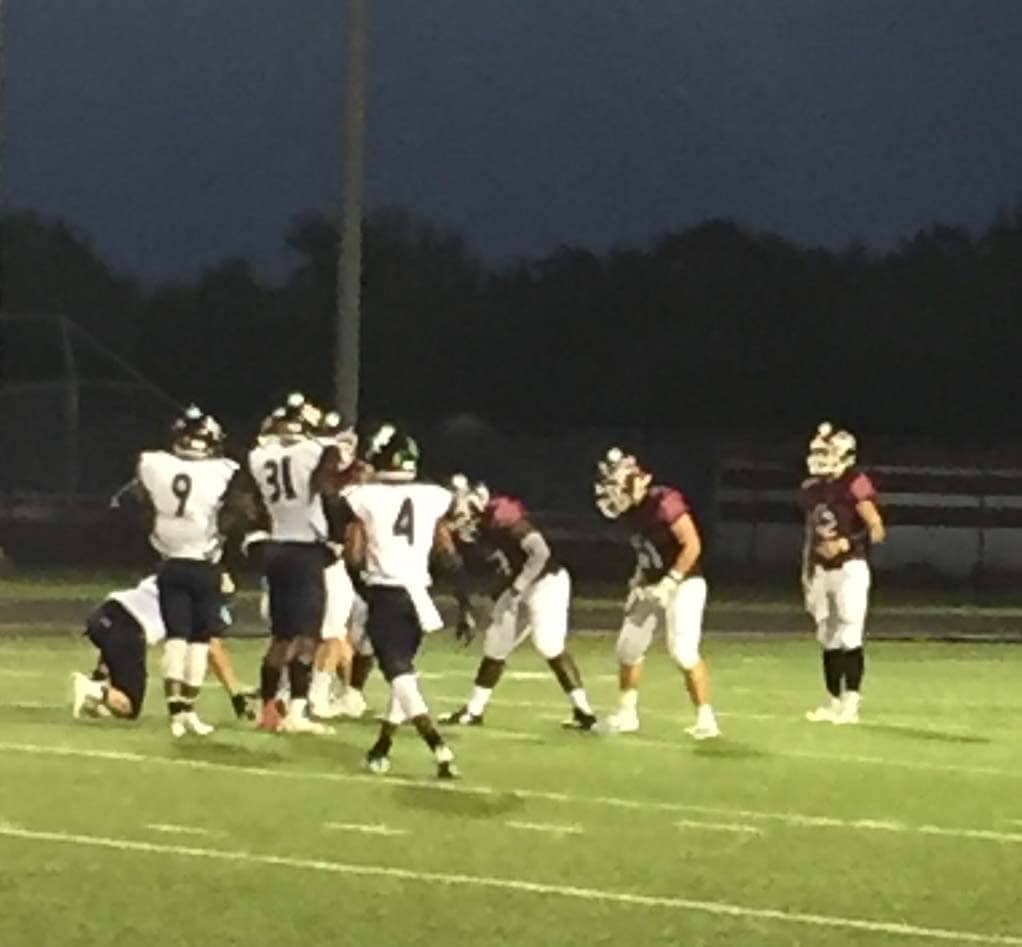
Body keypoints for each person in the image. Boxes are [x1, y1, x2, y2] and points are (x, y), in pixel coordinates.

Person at [341, 423, 469, 778]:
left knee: (399, 677)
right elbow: (448, 553)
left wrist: (361, 588)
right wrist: (464, 603)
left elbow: (353, 554)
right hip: (419, 596)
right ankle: (382, 746)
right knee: (403, 676)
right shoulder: (433, 495)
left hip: (387, 593)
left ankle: (439, 748)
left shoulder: (364, 496)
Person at [438, 474, 596, 730]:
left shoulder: (501, 513)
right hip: (520, 584)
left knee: (548, 644)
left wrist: (515, 589)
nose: (457, 519)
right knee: (495, 644)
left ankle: (584, 711)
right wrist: (503, 591)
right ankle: (473, 711)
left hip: (547, 581)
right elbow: (502, 563)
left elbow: (540, 552)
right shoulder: (479, 524)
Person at [135, 405, 250, 737]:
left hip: (170, 562)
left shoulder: (155, 464)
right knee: (199, 640)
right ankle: (188, 709)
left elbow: (139, 501)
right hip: (203, 563)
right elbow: (236, 511)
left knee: (177, 637)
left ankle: (176, 713)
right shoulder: (222, 470)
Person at [593, 448, 720, 740]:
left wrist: (671, 581)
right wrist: (637, 582)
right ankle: (627, 714)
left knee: (683, 651)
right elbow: (646, 553)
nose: (609, 495)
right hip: (652, 582)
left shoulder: (664, 502)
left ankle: (706, 718)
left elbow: (692, 545)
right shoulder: (631, 513)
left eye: (613, 487)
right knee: (628, 647)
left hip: (685, 582)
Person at [248, 393, 338, 734]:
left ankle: (267, 709)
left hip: (277, 546)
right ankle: (298, 711)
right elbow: (328, 471)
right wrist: (318, 424)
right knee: (307, 636)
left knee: (280, 636)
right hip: (304, 550)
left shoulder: (260, 455)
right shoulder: (310, 450)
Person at [69, 575, 255, 721]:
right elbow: (213, 650)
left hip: (101, 616)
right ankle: (94, 691)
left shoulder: (169, 574)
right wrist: (236, 696)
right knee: (129, 708)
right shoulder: (196, 600)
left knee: (121, 654)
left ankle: (97, 686)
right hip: (128, 630)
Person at [801, 422, 885, 725]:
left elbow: (876, 529)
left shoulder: (855, 483)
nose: (821, 457)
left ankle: (852, 702)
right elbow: (811, 535)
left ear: (846, 457)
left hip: (850, 567)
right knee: (827, 635)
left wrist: (845, 542)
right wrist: (807, 571)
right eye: (819, 452)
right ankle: (833, 701)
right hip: (822, 571)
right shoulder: (811, 489)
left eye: (828, 452)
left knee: (849, 632)